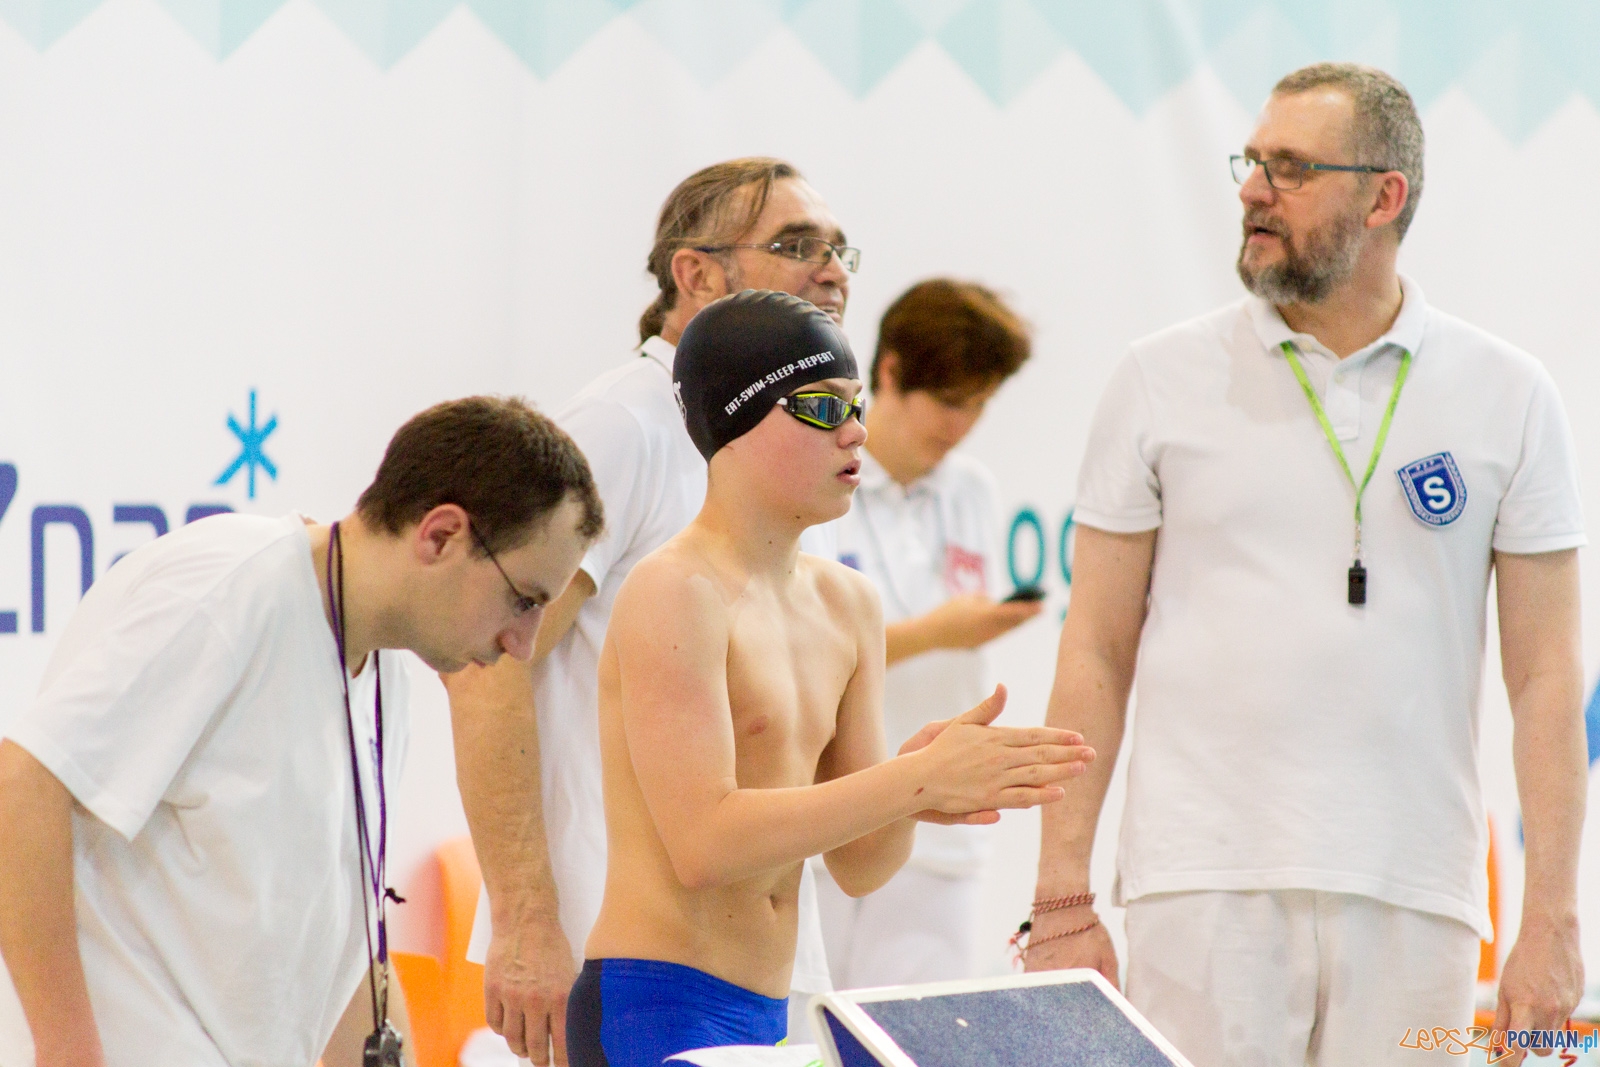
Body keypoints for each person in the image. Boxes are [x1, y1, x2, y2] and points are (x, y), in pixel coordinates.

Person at [1025, 62, 1587, 1067]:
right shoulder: (1158, 379)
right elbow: (1095, 649)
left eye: (1288, 167)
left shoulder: (1508, 392)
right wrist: (1061, 889)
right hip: (1198, 883)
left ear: (1383, 196)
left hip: (1417, 892)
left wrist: (1550, 913)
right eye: (1251, 161)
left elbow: (1545, 677)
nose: (1250, 188)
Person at [569, 289, 1093, 1066]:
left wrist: (921, 785)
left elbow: (861, 866)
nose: (853, 431)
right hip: (658, 1003)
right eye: (819, 408)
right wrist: (913, 781)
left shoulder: (848, 603)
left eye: (856, 407)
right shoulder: (674, 590)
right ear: (734, 423)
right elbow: (703, 845)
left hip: (769, 1009)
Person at [0, 396, 604, 1067]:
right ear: (440, 535)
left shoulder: (384, 677)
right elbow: (21, 782)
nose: (523, 644)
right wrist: (68, 1050)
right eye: (522, 599)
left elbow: (340, 963)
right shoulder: (233, 586)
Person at [447, 158, 859, 1062]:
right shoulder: (621, 428)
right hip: (616, 956)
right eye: (796, 245)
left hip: (760, 971)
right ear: (696, 274)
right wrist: (524, 916)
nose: (830, 271)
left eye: (839, 250)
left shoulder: (796, 445)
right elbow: (486, 661)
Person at [815, 279, 1041, 987]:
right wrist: (938, 632)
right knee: (806, 1035)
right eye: (949, 401)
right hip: (831, 807)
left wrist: (958, 632)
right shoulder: (820, 477)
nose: (962, 423)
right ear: (888, 373)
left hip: (940, 819)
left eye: (980, 404)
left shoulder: (971, 487)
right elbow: (805, 647)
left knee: (909, 1036)